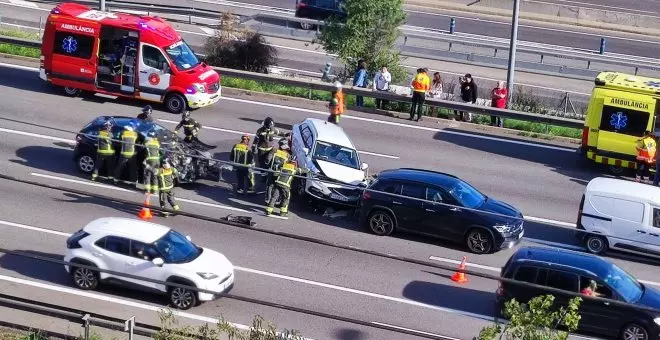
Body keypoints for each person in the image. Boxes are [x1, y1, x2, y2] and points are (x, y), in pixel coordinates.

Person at [265, 138, 292, 204]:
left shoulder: (274, 150)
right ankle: (276, 200)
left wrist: (268, 165)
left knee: (270, 185)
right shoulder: (288, 155)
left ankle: (268, 200)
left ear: (279, 144)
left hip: (272, 171)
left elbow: (268, 160)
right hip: (280, 174)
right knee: (278, 187)